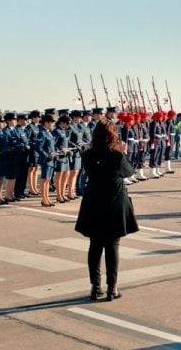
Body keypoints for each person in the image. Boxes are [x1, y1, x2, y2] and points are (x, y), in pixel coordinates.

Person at [75, 121, 139, 301]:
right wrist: (122, 152)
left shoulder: (87, 155)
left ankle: (95, 287)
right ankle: (112, 287)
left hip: (94, 202)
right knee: (112, 245)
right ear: (113, 137)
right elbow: (129, 172)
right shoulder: (116, 156)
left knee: (95, 246)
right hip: (113, 202)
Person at [34, 114, 57, 207]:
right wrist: (46, 155)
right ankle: (44, 199)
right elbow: (38, 147)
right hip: (46, 160)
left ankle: (47, 198)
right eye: (51, 123)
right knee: (45, 179)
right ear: (46, 123)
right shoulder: (42, 133)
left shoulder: (48, 132)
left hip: (51, 159)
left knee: (48, 180)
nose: (52, 125)